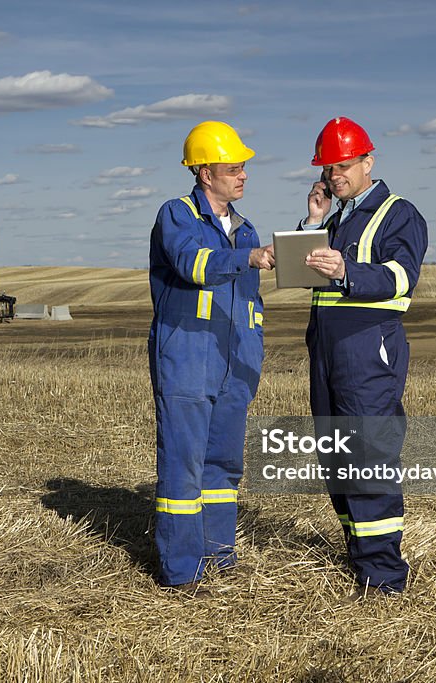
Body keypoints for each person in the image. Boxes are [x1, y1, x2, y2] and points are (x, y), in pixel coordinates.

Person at [299, 116, 428, 602]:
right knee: (335, 456)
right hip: (327, 350)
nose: (336, 176)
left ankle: (383, 577)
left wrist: (347, 269)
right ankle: (361, 555)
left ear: (368, 162)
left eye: (344, 166)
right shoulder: (337, 218)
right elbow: (303, 276)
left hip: (368, 350)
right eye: (329, 169)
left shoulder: (399, 214)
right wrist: (312, 223)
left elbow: (401, 278)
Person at [148, 120, 275, 596]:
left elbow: (250, 301)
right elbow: (192, 264)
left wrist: (309, 225)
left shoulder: (246, 229)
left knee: (223, 466)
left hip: (235, 363)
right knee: (184, 465)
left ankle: (219, 557)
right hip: (186, 359)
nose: (242, 175)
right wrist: (248, 258)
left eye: (243, 167)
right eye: (232, 168)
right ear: (204, 173)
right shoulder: (177, 215)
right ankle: (183, 572)